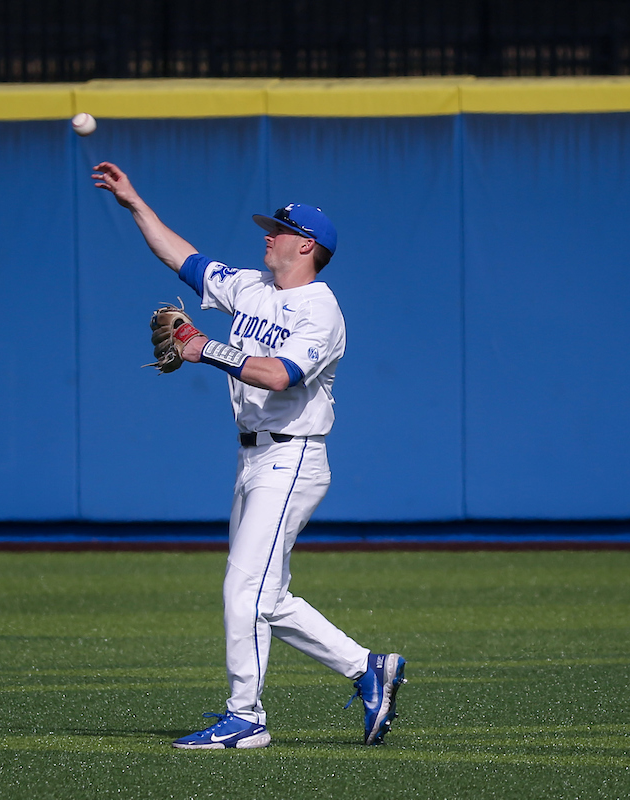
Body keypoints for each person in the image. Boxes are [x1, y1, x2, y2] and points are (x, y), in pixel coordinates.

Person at [92, 161, 405, 749]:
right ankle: (369, 668)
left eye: (278, 230)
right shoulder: (251, 289)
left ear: (306, 246)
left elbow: (282, 375)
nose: (267, 234)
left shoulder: (320, 308)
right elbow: (182, 259)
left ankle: (246, 717)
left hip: (292, 459)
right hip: (254, 460)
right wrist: (134, 202)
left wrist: (203, 347)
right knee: (268, 594)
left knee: (243, 588)